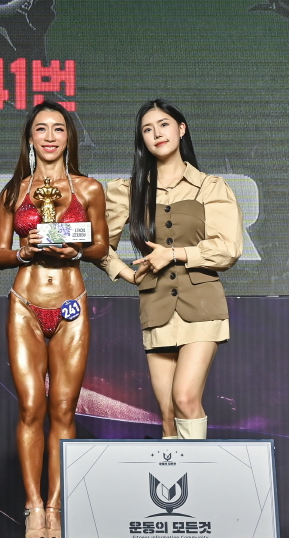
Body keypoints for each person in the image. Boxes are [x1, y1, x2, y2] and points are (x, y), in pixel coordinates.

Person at [0, 101, 109, 538]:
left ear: (68, 137)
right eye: (40, 129)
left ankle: (57, 509)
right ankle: (33, 506)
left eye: (58, 129)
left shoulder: (89, 188)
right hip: (25, 304)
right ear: (30, 138)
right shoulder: (14, 191)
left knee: (63, 409)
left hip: (71, 306)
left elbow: (101, 245)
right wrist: (24, 251)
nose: (49, 137)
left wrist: (73, 249)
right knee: (30, 407)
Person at [100, 100, 242, 440]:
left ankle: (197, 475)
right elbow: (98, 244)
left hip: (202, 304)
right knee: (166, 415)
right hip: (156, 305)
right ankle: (177, 476)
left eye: (163, 125)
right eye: (147, 129)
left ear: (181, 129)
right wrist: (124, 272)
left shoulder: (210, 186)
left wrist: (175, 254)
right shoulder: (128, 190)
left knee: (185, 398)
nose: (156, 134)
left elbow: (228, 249)